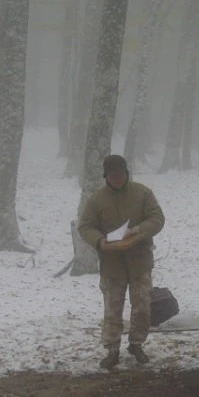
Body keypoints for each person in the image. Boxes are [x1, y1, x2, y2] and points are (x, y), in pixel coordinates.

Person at [78, 155, 165, 370]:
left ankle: (136, 344)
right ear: (106, 176)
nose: (117, 179)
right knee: (113, 308)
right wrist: (99, 241)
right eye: (113, 175)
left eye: (121, 174)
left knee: (142, 306)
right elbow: (86, 226)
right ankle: (112, 349)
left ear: (127, 173)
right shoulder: (96, 200)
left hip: (139, 261)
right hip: (111, 264)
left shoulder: (142, 193)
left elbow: (157, 218)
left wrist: (139, 231)